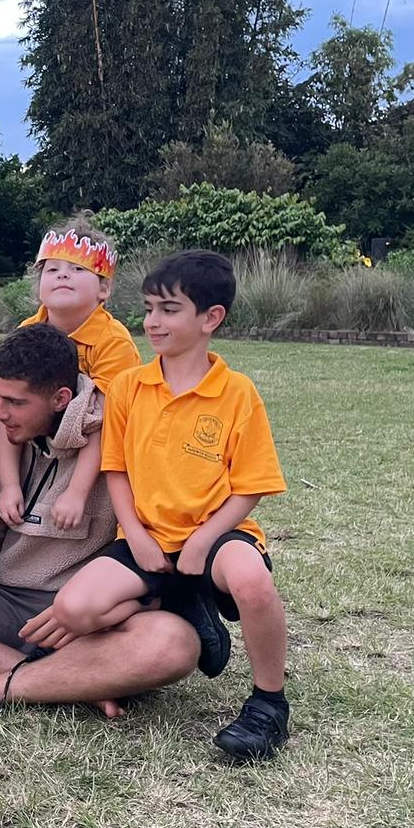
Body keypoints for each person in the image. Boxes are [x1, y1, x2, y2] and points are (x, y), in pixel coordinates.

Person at [0, 324, 209, 714]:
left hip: (88, 616)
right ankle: (67, 682)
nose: (0, 414)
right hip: (4, 600)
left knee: (174, 643)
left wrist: (109, 608)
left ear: (60, 398)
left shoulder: (120, 438)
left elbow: (156, 545)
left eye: (15, 402)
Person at [39, 250, 291, 760]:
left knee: (251, 582)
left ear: (210, 318)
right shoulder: (129, 386)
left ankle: (269, 705)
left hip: (215, 535)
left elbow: (252, 485)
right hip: (146, 537)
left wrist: (203, 539)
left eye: (169, 309)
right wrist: (134, 534)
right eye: (149, 308)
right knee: (73, 608)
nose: (152, 321)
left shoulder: (237, 393)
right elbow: (115, 469)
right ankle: (178, 600)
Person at [0, 222, 140, 534]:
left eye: (77, 268)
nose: (63, 275)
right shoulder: (27, 331)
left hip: (93, 444)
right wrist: (9, 486)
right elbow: (8, 408)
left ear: (103, 289)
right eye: (52, 269)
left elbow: (105, 424)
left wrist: (76, 493)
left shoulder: (114, 344)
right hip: (40, 436)